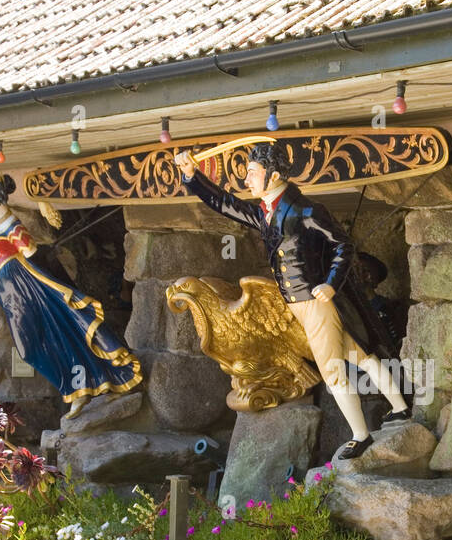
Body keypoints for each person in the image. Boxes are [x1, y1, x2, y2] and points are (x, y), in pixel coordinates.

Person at [174, 143, 408, 459]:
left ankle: (361, 434)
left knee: (332, 370)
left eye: (252, 174)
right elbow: (226, 204)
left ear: (273, 175)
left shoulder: (308, 211)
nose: (247, 181)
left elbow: (344, 247)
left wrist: (330, 284)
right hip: (296, 304)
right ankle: (400, 408)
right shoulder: (263, 213)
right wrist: (192, 176)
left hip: (314, 302)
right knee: (359, 356)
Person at [0, 172, 141, 417]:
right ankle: (78, 387)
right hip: (9, 296)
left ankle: (78, 389)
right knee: (32, 347)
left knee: (40, 342)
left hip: (27, 291)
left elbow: (32, 252)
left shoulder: (10, 225)